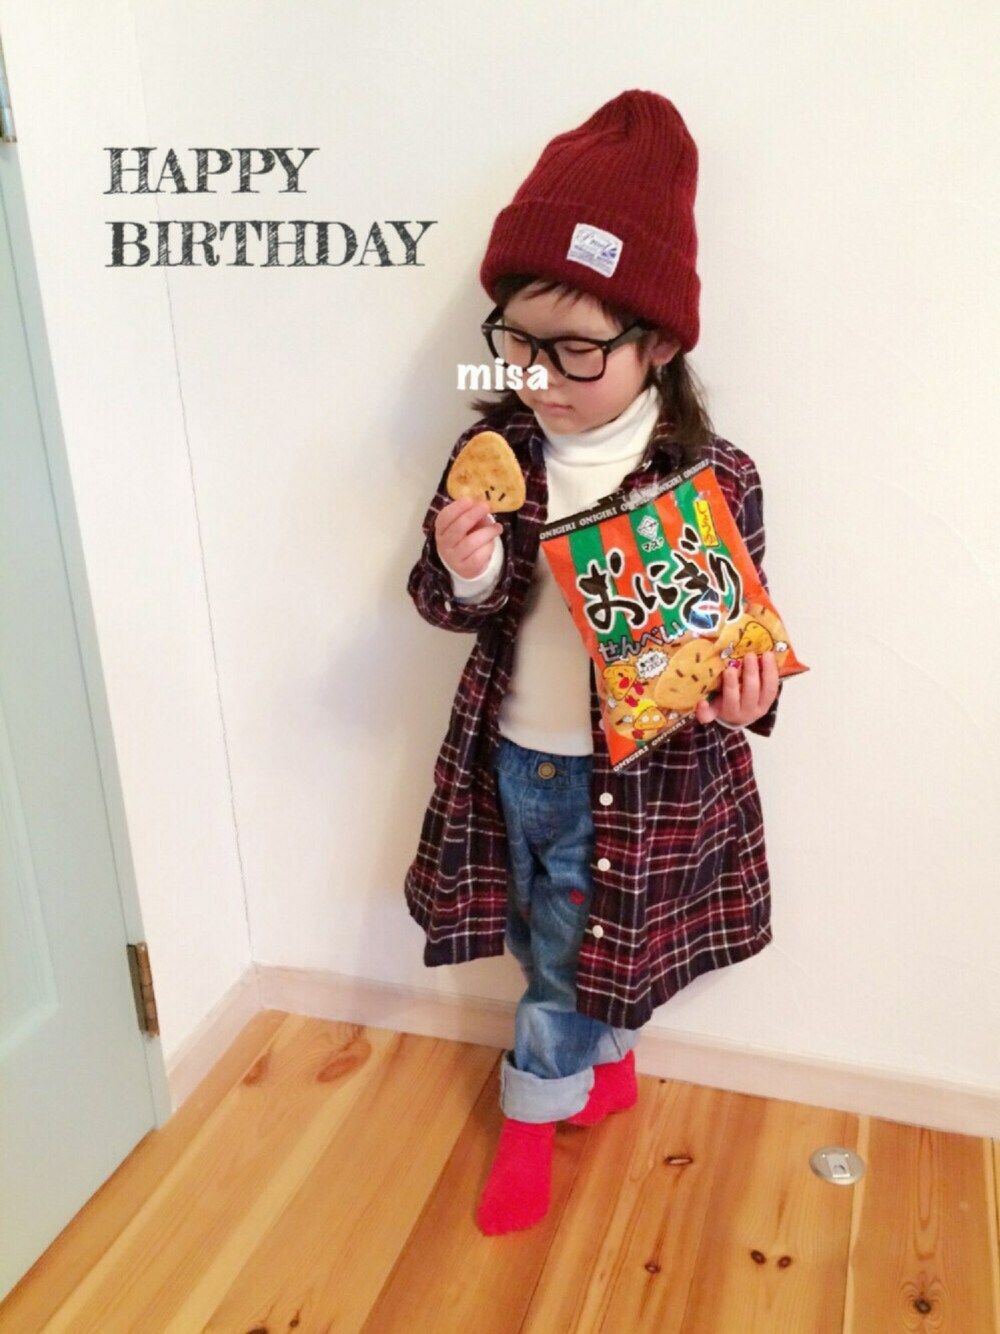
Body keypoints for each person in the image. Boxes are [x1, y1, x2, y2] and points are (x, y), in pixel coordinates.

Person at [404, 89, 783, 1236]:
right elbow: (442, 601)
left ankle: (530, 1118)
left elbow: (734, 654)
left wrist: (744, 695)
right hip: (510, 760)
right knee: (544, 934)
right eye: (518, 343)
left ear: (656, 341)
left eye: (574, 350)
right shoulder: (496, 446)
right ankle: (608, 1067)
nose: (539, 375)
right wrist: (464, 566)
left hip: (632, 781)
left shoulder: (711, 477)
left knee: (563, 963)